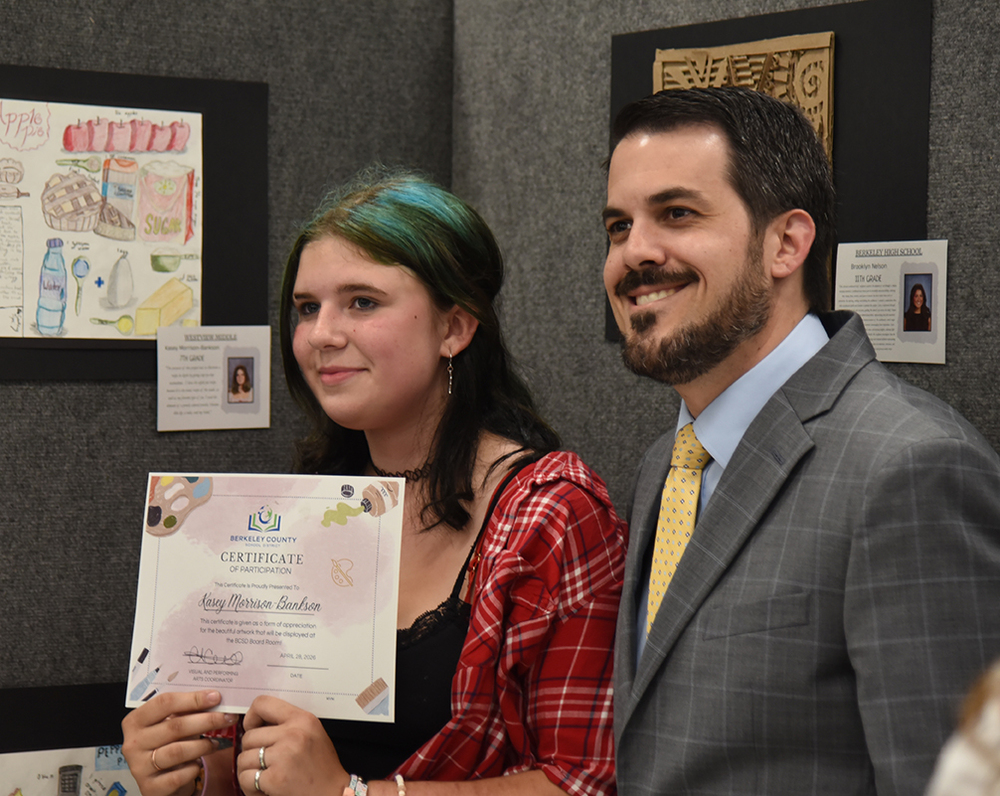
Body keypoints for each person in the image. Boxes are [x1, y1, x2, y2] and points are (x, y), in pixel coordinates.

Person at [122, 168, 625, 796]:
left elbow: (583, 783)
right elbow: (267, 768)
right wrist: (193, 767)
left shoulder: (551, 514)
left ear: (454, 327)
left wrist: (351, 795)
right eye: (308, 308)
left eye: (362, 302)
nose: (322, 336)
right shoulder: (305, 507)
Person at [602, 86, 1000, 795]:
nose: (635, 254)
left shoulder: (910, 467)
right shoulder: (668, 463)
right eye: (617, 226)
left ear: (786, 242)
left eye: (677, 214)